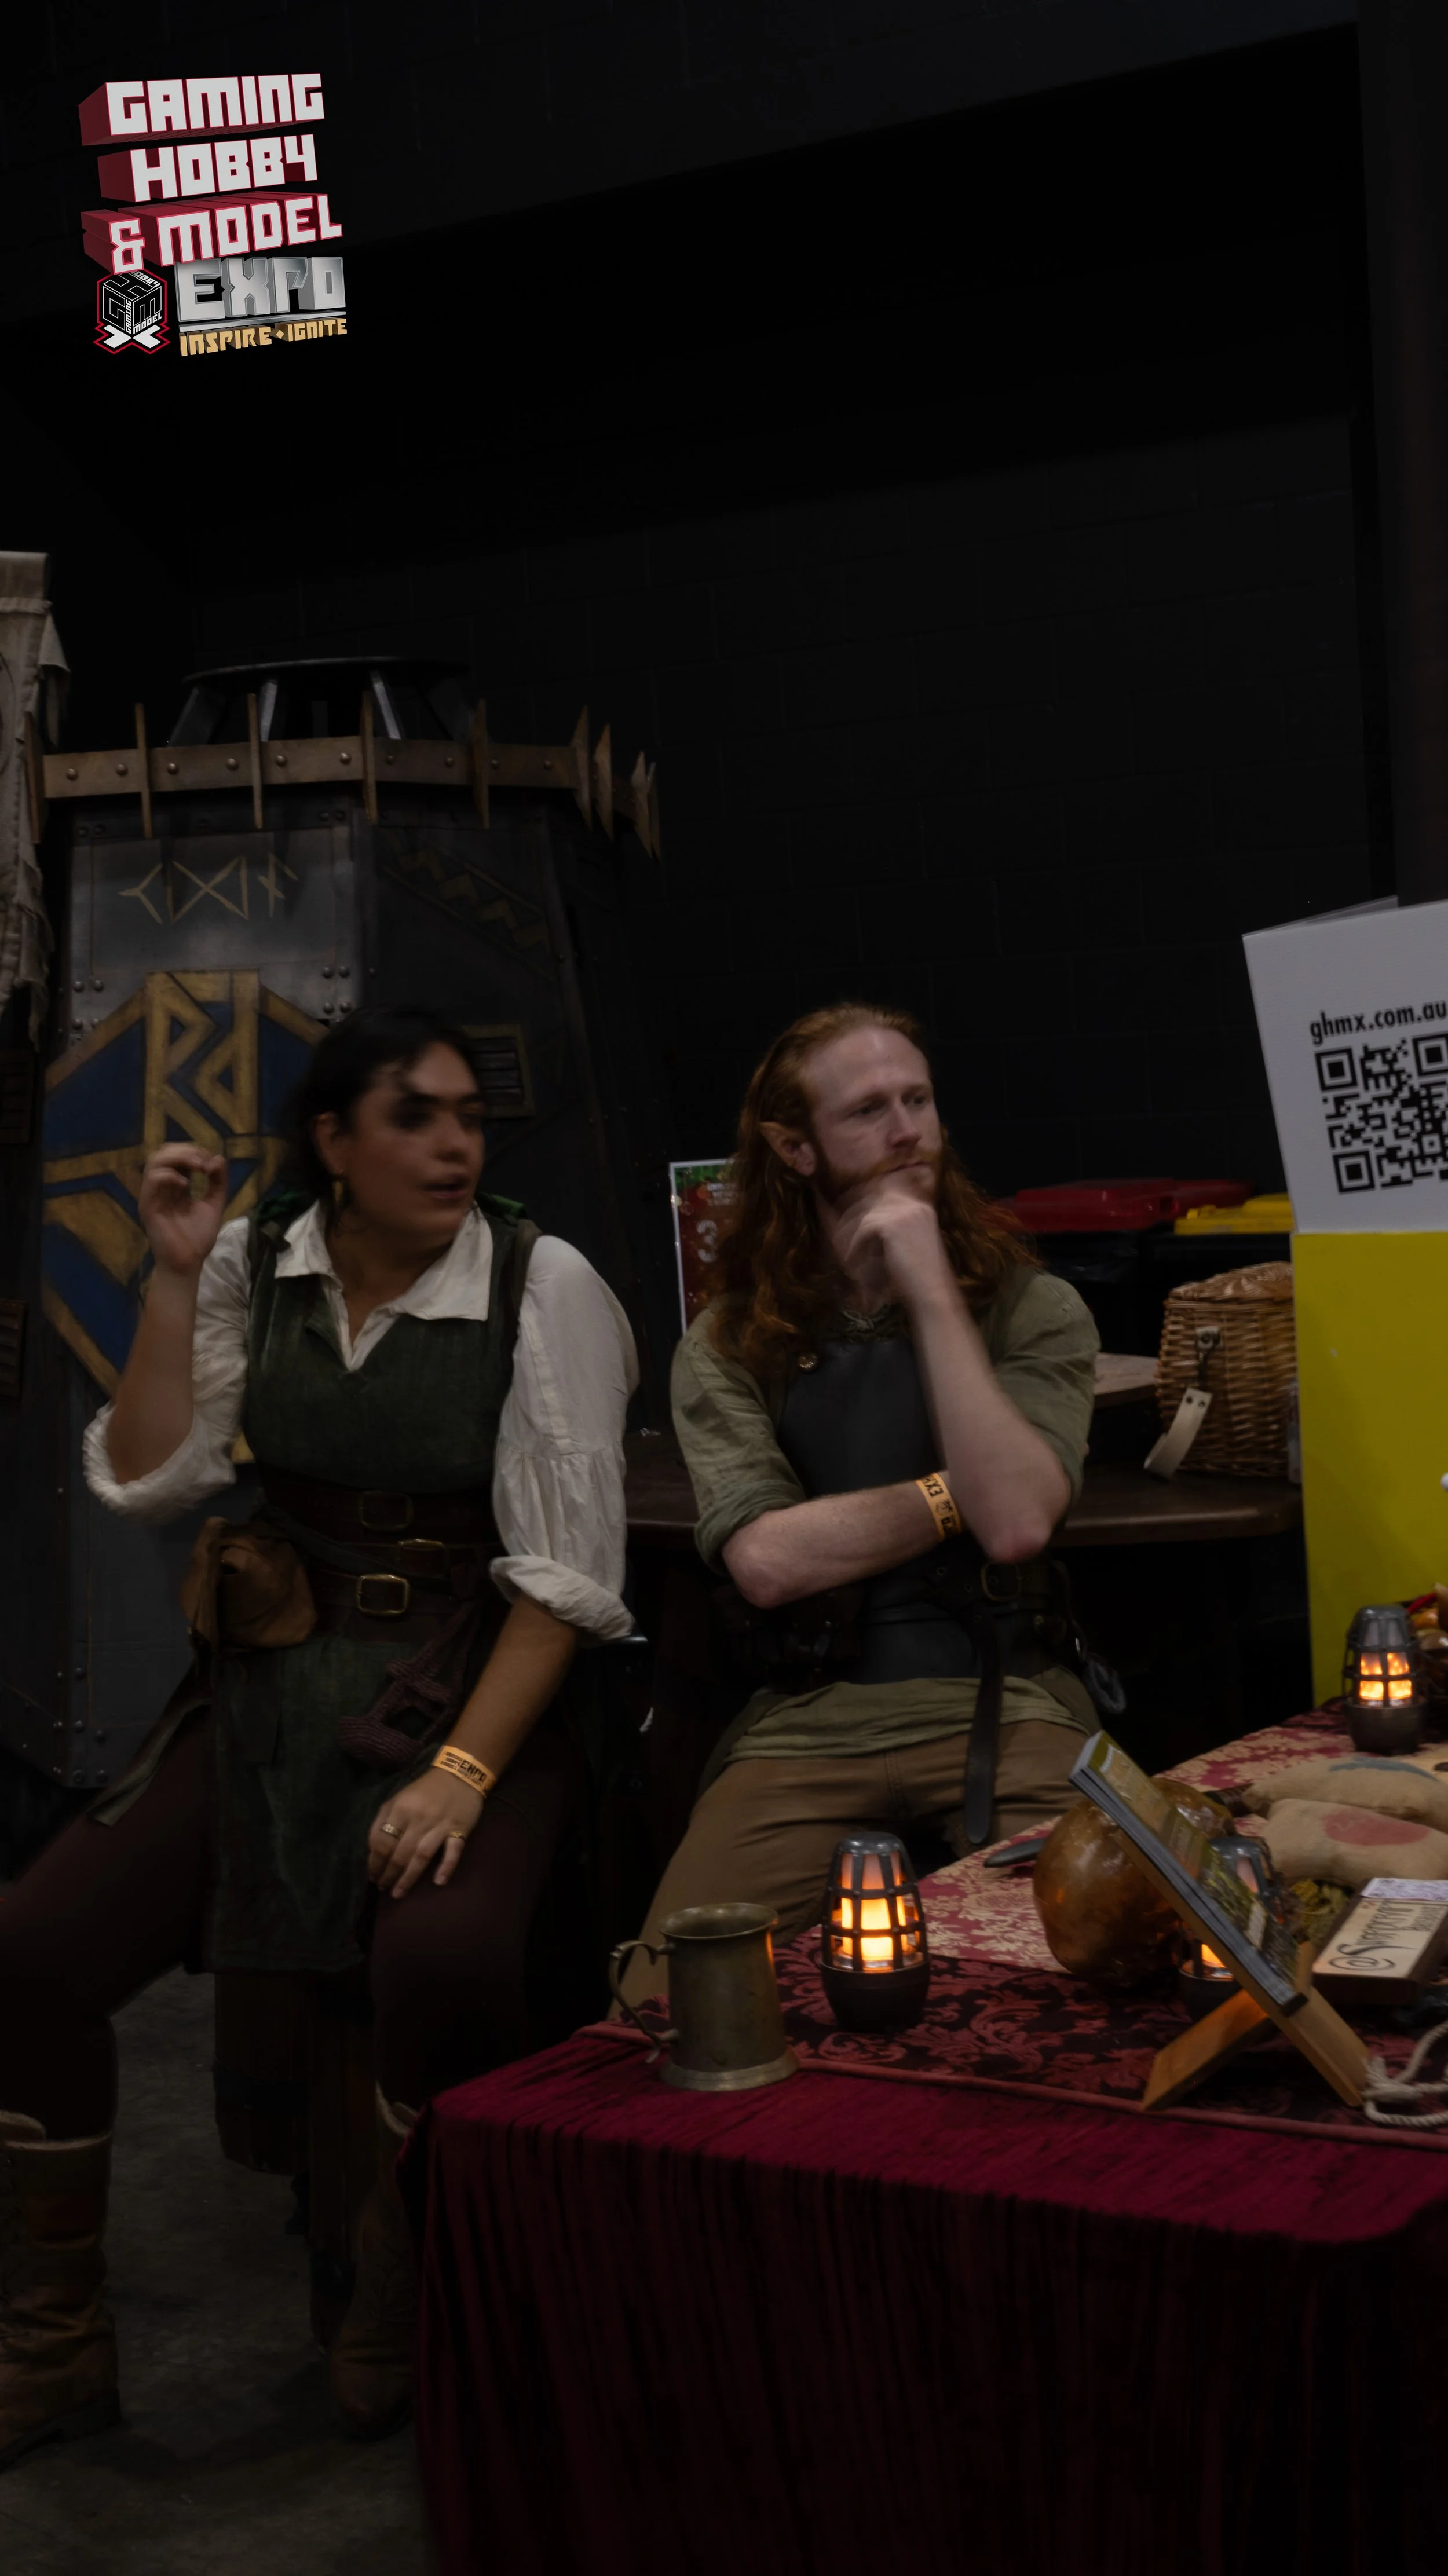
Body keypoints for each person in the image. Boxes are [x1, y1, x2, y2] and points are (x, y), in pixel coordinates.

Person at [0, 1006, 637, 2465]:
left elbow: (565, 1583)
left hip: (471, 1680)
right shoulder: (254, 1258)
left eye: (468, 1113)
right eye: (412, 1116)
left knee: (449, 1960)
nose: (456, 1142)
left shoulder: (547, 1286)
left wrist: (464, 1774)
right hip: (275, 1689)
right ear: (334, 1147)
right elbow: (153, 1476)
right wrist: (170, 1275)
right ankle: (56, 2344)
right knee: (30, 1956)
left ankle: (403, 2286)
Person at [620, 1001, 1099, 2004]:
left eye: (918, 1099)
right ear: (796, 1151)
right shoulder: (729, 1340)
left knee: (1106, 1944)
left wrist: (929, 1287)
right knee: (665, 1998)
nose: (906, 1130)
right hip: (809, 1720)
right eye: (869, 1112)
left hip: (1003, 1697)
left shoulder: (1029, 1308)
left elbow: (1016, 1525)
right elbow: (767, 1560)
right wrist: (954, 1488)